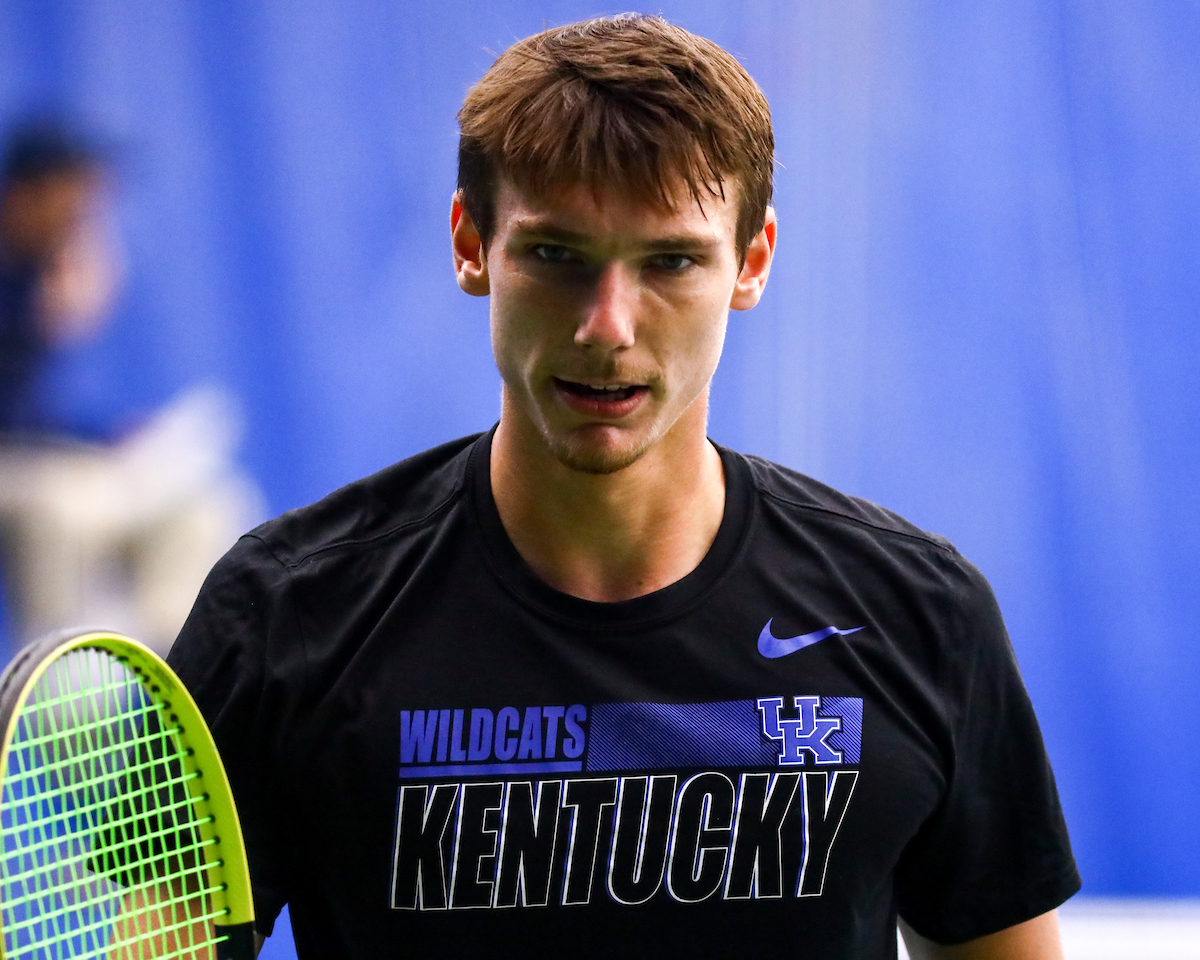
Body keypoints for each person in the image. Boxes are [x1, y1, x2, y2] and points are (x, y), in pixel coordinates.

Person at [169, 14, 1080, 959]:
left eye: (671, 261)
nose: (608, 327)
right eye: (556, 255)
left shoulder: (921, 615)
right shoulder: (284, 613)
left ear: (752, 262)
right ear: (471, 244)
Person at [0, 121, 261, 651]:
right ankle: (66, 709)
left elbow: (24, 409)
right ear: (29, 193)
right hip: (25, 481)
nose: (86, 209)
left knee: (205, 508)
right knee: (63, 512)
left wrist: (108, 437)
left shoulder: (37, 274)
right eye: (74, 190)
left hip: (29, 456)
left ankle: (175, 675)